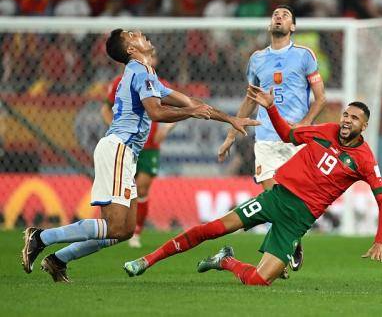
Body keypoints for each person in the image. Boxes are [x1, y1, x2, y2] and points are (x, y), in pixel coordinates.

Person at [21, 29, 259, 282]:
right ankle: (40, 237)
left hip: (125, 153)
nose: (140, 33)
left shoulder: (148, 75)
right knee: (113, 226)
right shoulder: (139, 71)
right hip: (118, 149)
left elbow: (190, 101)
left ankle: (58, 259)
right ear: (131, 50)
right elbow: (157, 112)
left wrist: (230, 119)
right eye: (132, 35)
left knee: (123, 231)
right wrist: (192, 112)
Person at [123, 86, 382, 287]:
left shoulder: (365, 160)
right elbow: (287, 134)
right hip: (276, 198)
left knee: (258, 281)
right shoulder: (326, 130)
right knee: (213, 228)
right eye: (346, 114)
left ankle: (225, 260)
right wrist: (271, 108)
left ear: (364, 126)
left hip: (298, 221)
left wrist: (379, 241)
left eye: (354, 118)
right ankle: (146, 260)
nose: (346, 120)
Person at [218, 4, 326, 273]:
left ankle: (288, 243)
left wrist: (304, 124)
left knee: (293, 200)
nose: (279, 17)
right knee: (275, 199)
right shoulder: (256, 59)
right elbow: (249, 100)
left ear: (293, 27)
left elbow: (321, 98)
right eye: (275, 14)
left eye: (285, 15)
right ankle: (290, 245)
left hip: (294, 140)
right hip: (265, 138)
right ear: (270, 25)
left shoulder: (304, 56)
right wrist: (231, 133)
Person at [101, 70, 175, 248]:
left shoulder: (158, 83)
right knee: (118, 187)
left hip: (149, 148)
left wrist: (166, 129)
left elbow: (174, 109)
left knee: (141, 188)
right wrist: (116, 129)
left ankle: (135, 232)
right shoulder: (119, 81)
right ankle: (109, 228)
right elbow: (105, 109)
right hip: (126, 144)